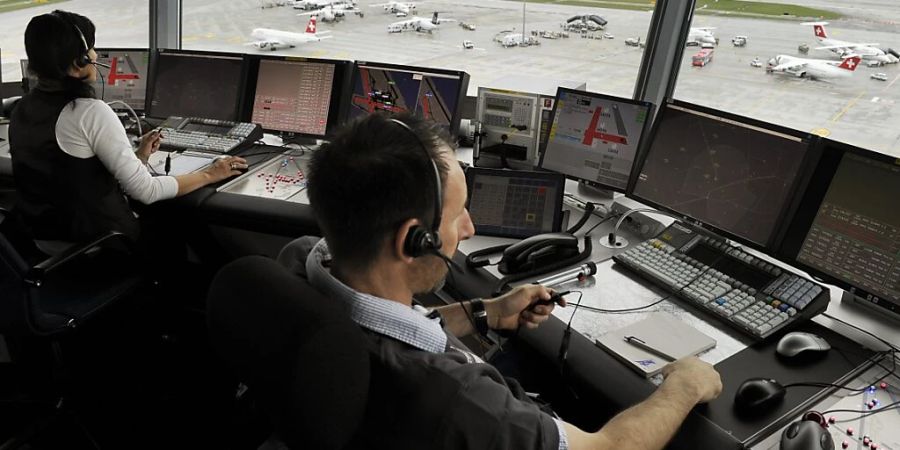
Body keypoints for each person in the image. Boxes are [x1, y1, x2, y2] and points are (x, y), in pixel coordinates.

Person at [284, 112, 723, 449]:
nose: (470, 230)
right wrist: (682, 386)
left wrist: (485, 311)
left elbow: (388, 327)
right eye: (458, 216)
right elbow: (607, 447)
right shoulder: (460, 401)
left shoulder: (302, 259)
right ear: (413, 241)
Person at [8, 10, 247, 252]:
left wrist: (139, 158)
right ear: (79, 61)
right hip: (100, 247)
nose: (95, 54)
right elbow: (147, 191)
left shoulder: (22, 107)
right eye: (90, 49)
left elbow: (70, 176)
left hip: (44, 244)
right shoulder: (88, 112)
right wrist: (211, 174)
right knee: (183, 216)